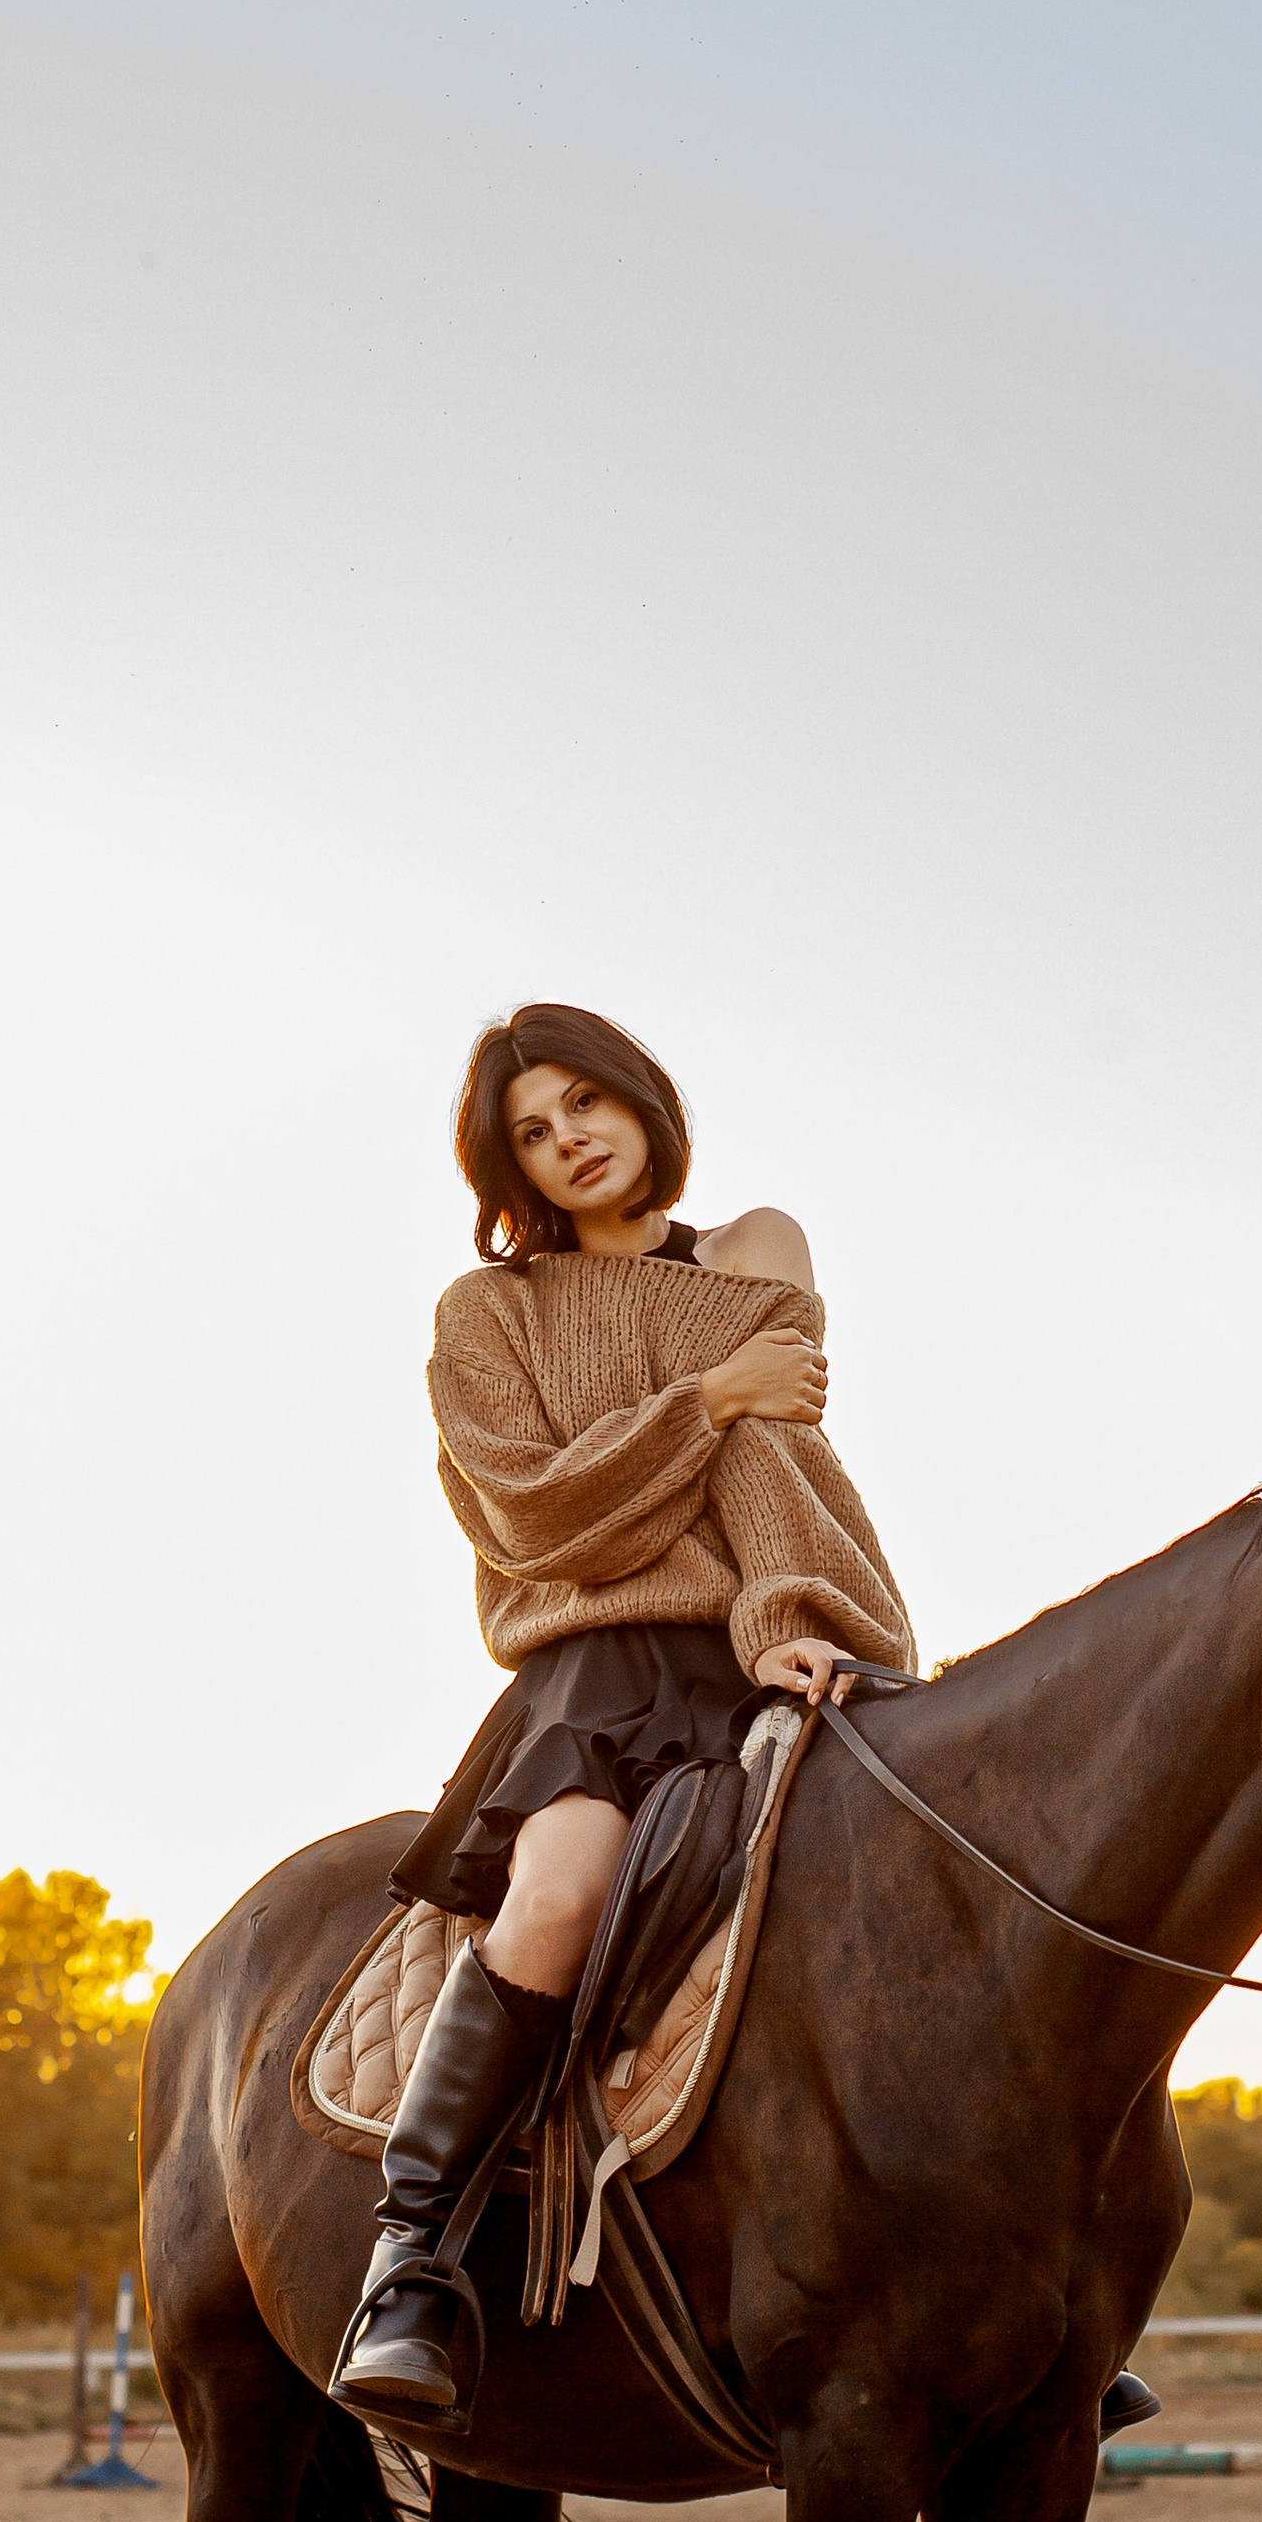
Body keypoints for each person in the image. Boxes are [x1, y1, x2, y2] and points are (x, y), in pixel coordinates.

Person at [332, 1001, 915, 2427]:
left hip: (775, 1642)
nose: (568, 1140)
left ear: (642, 1101)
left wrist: (792, 1624)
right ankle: (410, 2256)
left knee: (936, 1884)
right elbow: (539, 1518)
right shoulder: (488, 1316)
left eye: (585, 1102)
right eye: (532, 1131)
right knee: (561, 1889)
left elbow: (777, 1472)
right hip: (596, 1671)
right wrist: (709, 1393)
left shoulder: (756, 1250)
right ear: (508, 1168)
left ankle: (1008, 2270)